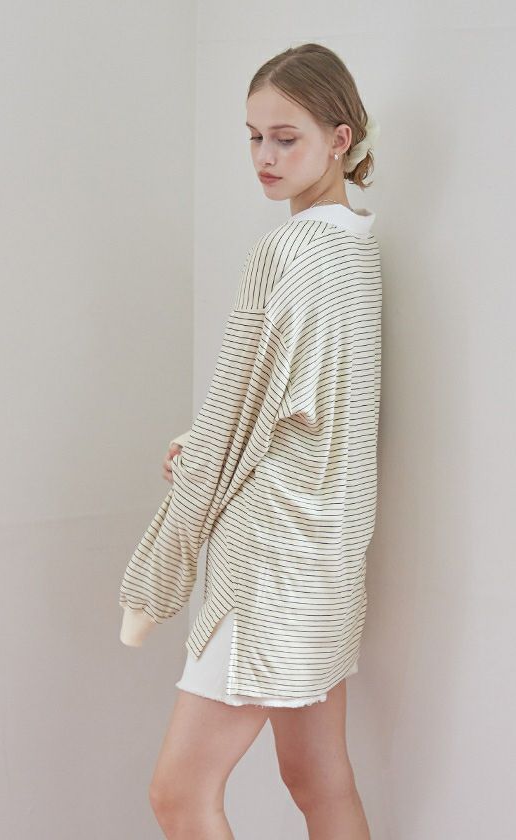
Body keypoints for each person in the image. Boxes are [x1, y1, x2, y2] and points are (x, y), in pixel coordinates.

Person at [119, 42, 381, 839]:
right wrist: (206, 439)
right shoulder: (356, 249)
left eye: (285, 138)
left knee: (178, 794)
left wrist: (161, 563)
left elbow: (241, 406)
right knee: (320, 780)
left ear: (339, 139)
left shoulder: (288, 250)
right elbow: (299, 405)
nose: (264, 157)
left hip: (266, 565)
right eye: (254, 136)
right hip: (329, 557)